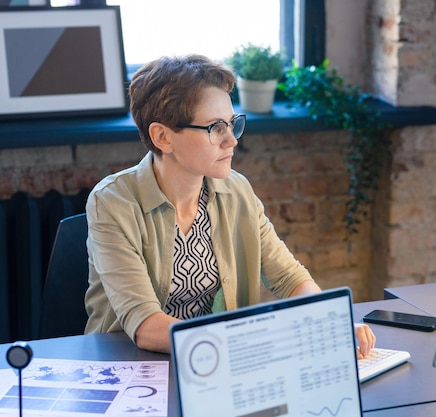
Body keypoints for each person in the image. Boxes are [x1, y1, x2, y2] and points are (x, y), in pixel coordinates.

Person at [84, 54, 376, 357]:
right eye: (214, 127)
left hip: (220, 364)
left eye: (232, 124)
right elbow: (146, 326)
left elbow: (289, 278)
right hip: (133, 368)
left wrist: (328, 322)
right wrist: (255, 340)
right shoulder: (112, 202)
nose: (231, 141)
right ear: (162, 137)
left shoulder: (236, 190)